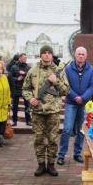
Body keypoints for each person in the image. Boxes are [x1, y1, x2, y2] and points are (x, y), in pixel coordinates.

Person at [23, 45, 70, 176]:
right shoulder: (33, 71)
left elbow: (66, 90)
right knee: (38, 139)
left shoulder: (58, 71)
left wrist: (56, 82)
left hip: (53, 111)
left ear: (52, 55)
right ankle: (40, 165)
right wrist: (30, 98)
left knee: (53, 139)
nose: (47, 55)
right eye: (44, 53)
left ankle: (51, 165)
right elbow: (25, 89)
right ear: (41, 55)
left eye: (49, 53)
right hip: (38, 111)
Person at [57, 47, 93, 166]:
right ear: (75, 55)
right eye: (79, 54)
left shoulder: (91, 69)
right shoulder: (68, 69)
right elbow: (65, 85)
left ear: (86, 56)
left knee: (81, 130)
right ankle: (61, 155)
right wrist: (75, 97)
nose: (80, 56)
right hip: (71, 103)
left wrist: (83, 98)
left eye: (83, 54)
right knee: (67, 129)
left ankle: (77, 153)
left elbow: (92, 85)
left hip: (84, 103)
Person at [10, 53, 32, 126]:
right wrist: (17, 79)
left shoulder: (28, 68)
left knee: (27, 106)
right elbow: (10, 78)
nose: (25, 59)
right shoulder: (14, 67)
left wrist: (25, 73)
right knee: (15, 106)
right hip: (16, 89)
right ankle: (14, 121)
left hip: (25, 89)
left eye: (26, 58)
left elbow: (31, 77)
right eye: (24, 58)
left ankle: (28, 121)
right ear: (20, 58)